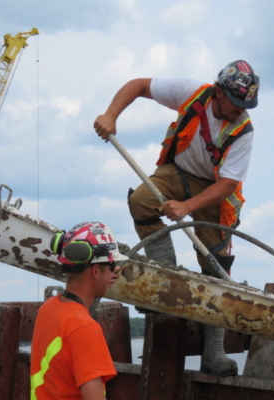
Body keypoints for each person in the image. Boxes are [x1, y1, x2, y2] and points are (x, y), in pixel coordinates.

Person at [94, 60, 260, 376]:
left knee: (215, 266)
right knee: (142, 200)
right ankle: (166, 274)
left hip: (215, 190)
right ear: (218, 92)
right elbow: (139, 85)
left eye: (245, 105)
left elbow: (226, 184)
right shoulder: (191, 93)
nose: (240, 110)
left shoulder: (243, 131)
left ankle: (215, 352)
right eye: (236, 103)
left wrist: (186, 207)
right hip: (178, 172)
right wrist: (110, 115)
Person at [30, 221, 128, 400]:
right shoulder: (85, 328)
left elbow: (81, 297)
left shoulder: (49, 310)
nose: (113, 274)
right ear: (96, 271)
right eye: (111, 268)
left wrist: (103, 275)